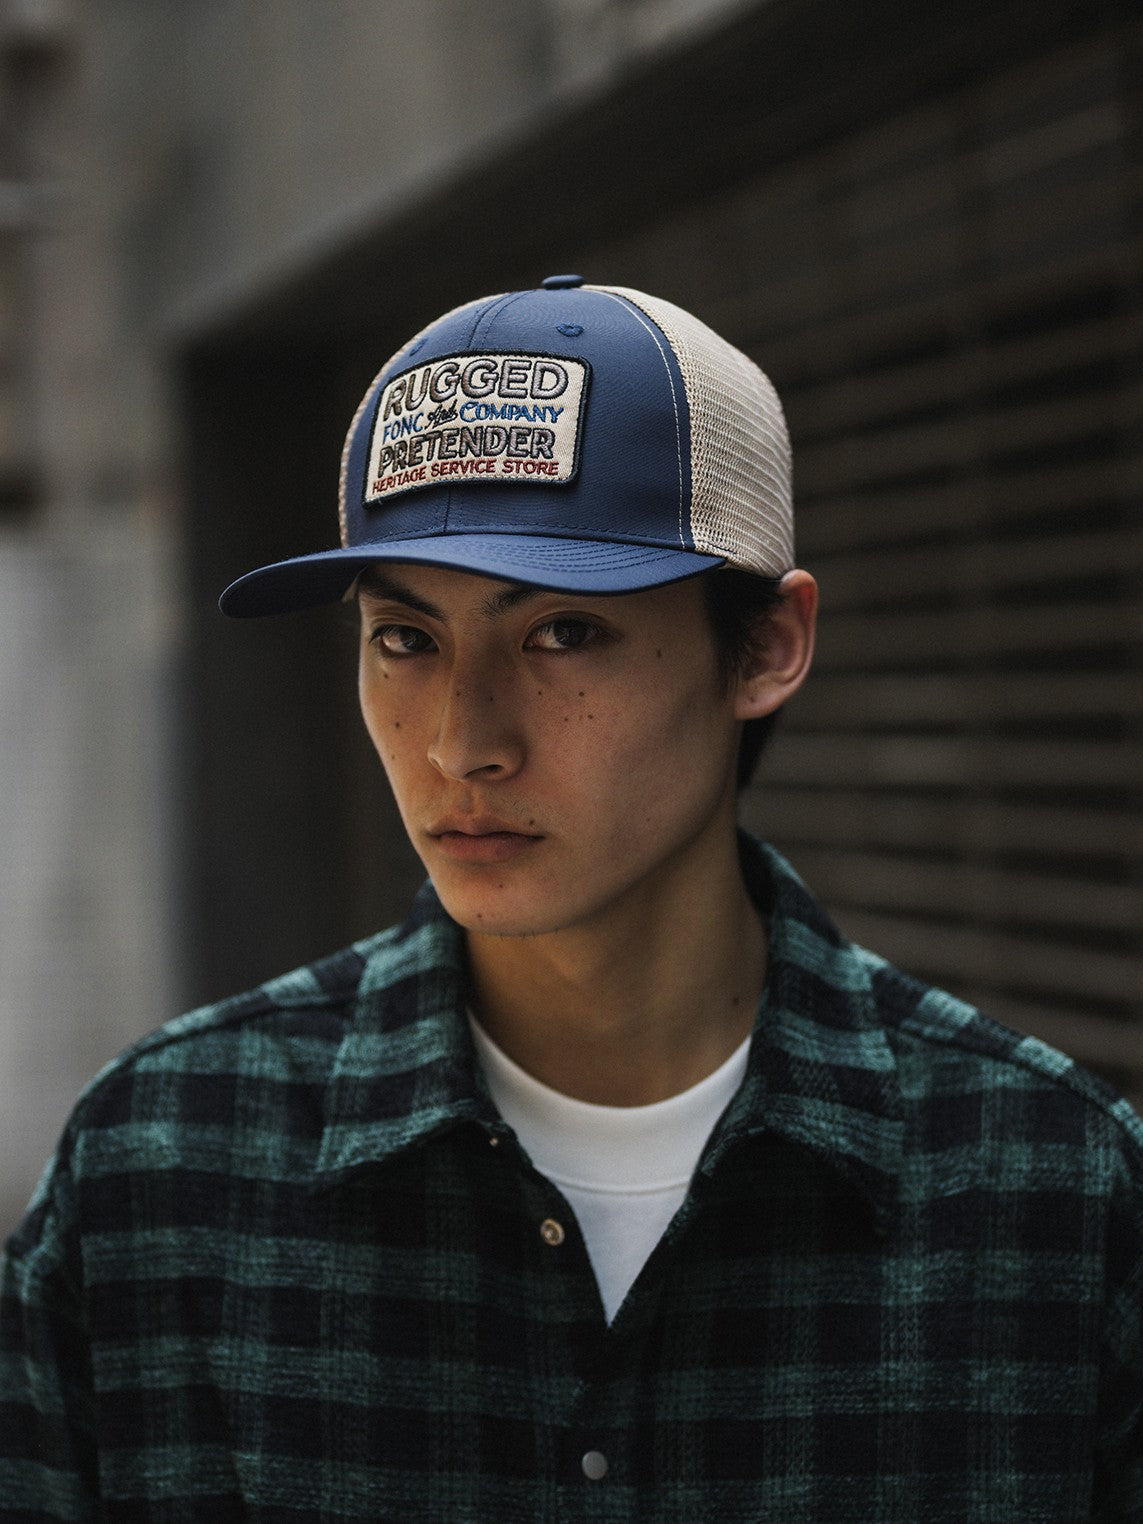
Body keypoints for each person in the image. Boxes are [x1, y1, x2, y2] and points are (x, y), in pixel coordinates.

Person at [1, 275, 1140, 1522]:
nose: (461, 745)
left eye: (562, 635)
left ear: (765, 646)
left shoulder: (1051, 1195)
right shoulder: (164, 1167)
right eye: (406, 640)